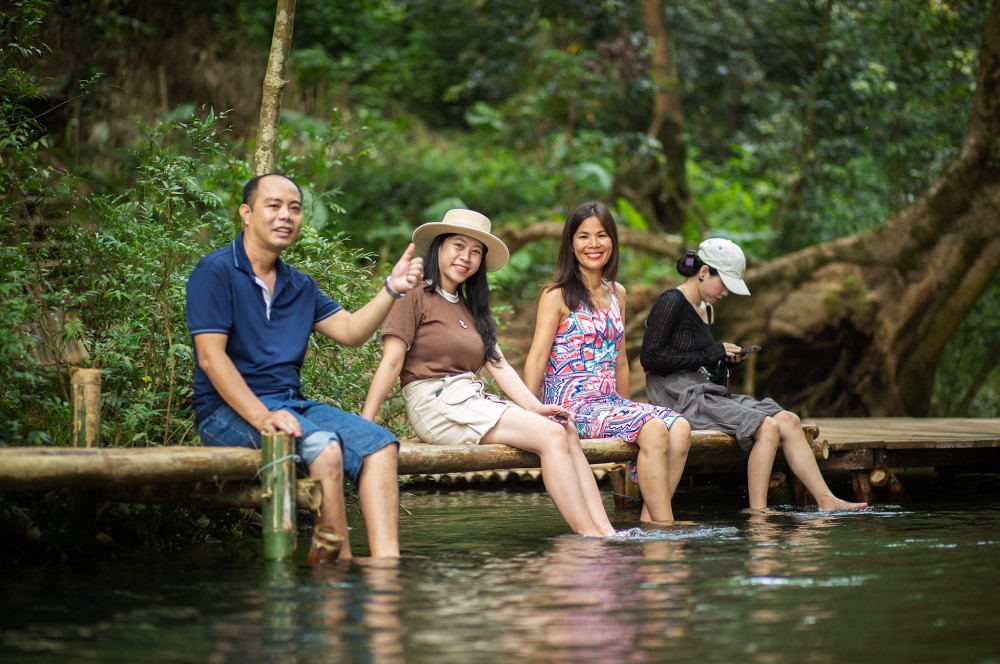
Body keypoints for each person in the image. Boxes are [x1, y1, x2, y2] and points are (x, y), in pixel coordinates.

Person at [186, 173, 424, 560]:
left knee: (381, 446)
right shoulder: (215, 272)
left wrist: (391, 289)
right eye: (274, 205)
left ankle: (385, 570)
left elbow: (350, 331)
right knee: (325, 449)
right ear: (246, 213)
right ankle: (335, 569)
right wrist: (264, 417)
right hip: (225, 411)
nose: (286, 215)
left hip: (289, 404)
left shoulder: (300, 286)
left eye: (294, 208)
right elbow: (212, 358)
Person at [362, 209, 614, 538]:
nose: (466, 257)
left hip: (470, 398)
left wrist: (535, 407)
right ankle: (589, 537)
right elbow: (392, 362)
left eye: (476, 251)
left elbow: (499, 365)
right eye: (458, 245)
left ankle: (606, 530)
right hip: (435, 403)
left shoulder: (470, 307)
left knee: (563, 429)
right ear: (438, 247)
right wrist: (365, 422)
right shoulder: (413, 295)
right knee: (551, 437)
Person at [640, 238, 867, 511]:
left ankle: (827, 500)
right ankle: (758, 515)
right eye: (723, 284)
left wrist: (725, 363)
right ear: (703, 272)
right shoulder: (671, 301)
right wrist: (709, 354)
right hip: (678, 400)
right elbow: (650, 358)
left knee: (789, 421)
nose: (725, 293)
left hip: (705, 393)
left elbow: (703, 370)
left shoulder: (707, 310)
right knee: (767, 427)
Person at [524, 202, 691, 523]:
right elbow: (536, 357)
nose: (593, 244)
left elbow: (621, 361)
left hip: (609, 403)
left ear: (612, 241)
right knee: (654, 428)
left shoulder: (618, 293)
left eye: (601, 235)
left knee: (680, 427)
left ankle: (651, 520)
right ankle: (665, 526)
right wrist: (529, 411)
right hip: (571, 406)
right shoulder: (556, 295)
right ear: (571, 245)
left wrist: (626, 409)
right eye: (583, 236)